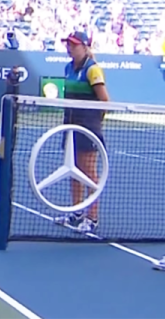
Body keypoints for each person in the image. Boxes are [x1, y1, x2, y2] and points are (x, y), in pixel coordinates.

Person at [53, 31, 108, 233]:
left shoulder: (93, 70)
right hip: (70, 126)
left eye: (74, 45)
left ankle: (92, 218)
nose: (70, 48)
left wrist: (94, 124)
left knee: (89, 173)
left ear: (85, 47)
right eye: (68, 44)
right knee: (72, 169)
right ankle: (76, 213)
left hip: (88, 129)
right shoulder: (68, 67)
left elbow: (104, 101)